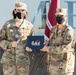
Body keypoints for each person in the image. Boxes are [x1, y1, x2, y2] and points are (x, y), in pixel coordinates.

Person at [0, 2, 34, 75]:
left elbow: (32, 42)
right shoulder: (7, 24)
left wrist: (30, 48)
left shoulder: (29, 26)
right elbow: (1, 40)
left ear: (25, 12)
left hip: (23, 62)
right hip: (9, 61)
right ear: (15, 11)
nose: (20, 12)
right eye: (18, 10)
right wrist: (10, 44)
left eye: (22, 10)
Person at [41, 8, 75, 75]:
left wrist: (47, 49)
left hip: (64, 67)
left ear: (66, 16)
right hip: (53, 66)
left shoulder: (68, 30)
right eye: (57, 16)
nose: (59, 17)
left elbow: (65, 48)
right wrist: (46, 44)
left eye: (61, 16)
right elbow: (52, 42)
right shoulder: (53, 29)